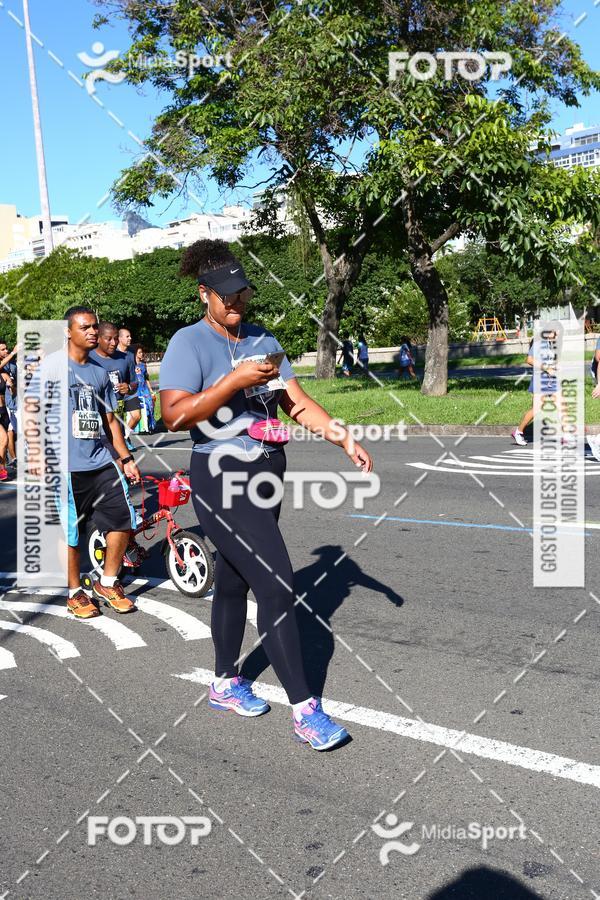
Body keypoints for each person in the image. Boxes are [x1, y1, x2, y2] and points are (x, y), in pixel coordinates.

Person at [160, 239, 373, 751]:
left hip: (266, 476)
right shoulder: (187, 344)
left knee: (233, 582)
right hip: (221, 477)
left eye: (243, 294)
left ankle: (223, 683)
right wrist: (233, 381)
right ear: (205, 294)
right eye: (227, 295)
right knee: (276, 584)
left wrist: (343, 436)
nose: (237, 303)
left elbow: (297, 404)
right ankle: (306, 710)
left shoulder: (263, 339)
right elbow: (175, 414)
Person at [45, 307, 141, 617]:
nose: (92, 332)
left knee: (124, 520)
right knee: (73, 532)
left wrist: (126, 458)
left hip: (102, 461)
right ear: (68, 331)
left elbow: (111, 422)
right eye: (84, 327)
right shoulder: (51, 368)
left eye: (94, 327)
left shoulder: (100, 373)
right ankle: (75, 592)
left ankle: (107, 582)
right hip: (67, 467)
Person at [89, 322, 138, 456]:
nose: (113, 342)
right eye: (108, 338)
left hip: (117, 421)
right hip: (96, 422)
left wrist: (128, 387)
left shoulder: (125, 358)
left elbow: (135, 384)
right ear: (98, 338)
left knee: (121, 462)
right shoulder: (88, 358)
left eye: (116, 338)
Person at [512, 330, 558, 446]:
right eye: (555, 332)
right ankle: (518, 432)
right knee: (536, 409)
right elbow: (529, 360)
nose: (557, 335)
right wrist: (547, 368)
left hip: (550, 382)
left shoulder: (549, 344)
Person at [117, 327, 142, 447]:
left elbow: (134, 366)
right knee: (118, 422)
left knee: (137, 416)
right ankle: (120, 441)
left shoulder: (131, 352)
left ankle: (125, 437)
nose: (130, 338)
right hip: (119, 391)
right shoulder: (113, 353)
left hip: (131, 389)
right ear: (120, 338)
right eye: (127, 336)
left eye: (130, 336)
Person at [130, 344, 156, 433]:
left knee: (150, 406)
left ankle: (149, 427)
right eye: (139, 352)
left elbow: (146, 378)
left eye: (142, 352)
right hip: (136, 390)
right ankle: (140, 428)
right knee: (139, 409)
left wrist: (151, 390)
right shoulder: (131, 365)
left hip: (144, 389)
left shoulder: (143, 365)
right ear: (135, 354)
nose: (142, 354)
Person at [0, 341, 18, 469]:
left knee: (6, 438)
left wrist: (12, 386)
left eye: (7, 349)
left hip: (4, 409)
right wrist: (13, 352)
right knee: (4, 438)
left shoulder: (5, 373)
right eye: (3, 349)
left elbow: (13, 388)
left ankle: (3, 468)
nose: (6, 351)